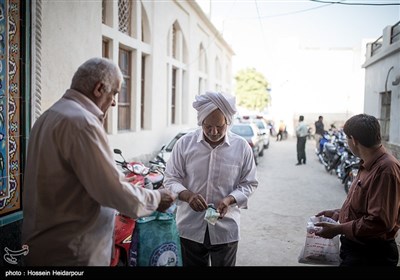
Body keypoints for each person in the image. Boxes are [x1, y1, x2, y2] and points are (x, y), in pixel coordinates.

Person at [21, 57, 176, 266]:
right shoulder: (82, 122)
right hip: (72, 253)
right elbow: (113, 192)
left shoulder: (49, 116)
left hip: (44, 247)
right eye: (114, 93)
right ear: (99, 88)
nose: (114, 102)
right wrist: (156, 198)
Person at [163, 91, 258, 266]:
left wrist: (230, 199)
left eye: (220, 127)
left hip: (225, 229)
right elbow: (170, 179)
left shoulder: (241, 147)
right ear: (201, 122)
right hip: (190, 227)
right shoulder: (184, 144)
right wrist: (188, 196)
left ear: (227, 122)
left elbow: (249, 183)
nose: (214, 132)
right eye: (208, 127)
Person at [314, 114, 400, 266]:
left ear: (353, 140)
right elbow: (364, 206)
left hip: (371, 254)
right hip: (356, 249)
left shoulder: (386, 169)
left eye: (347, 139)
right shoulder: (367, 163)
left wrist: (338, 229)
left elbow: (379, 222)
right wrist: (339, 213)